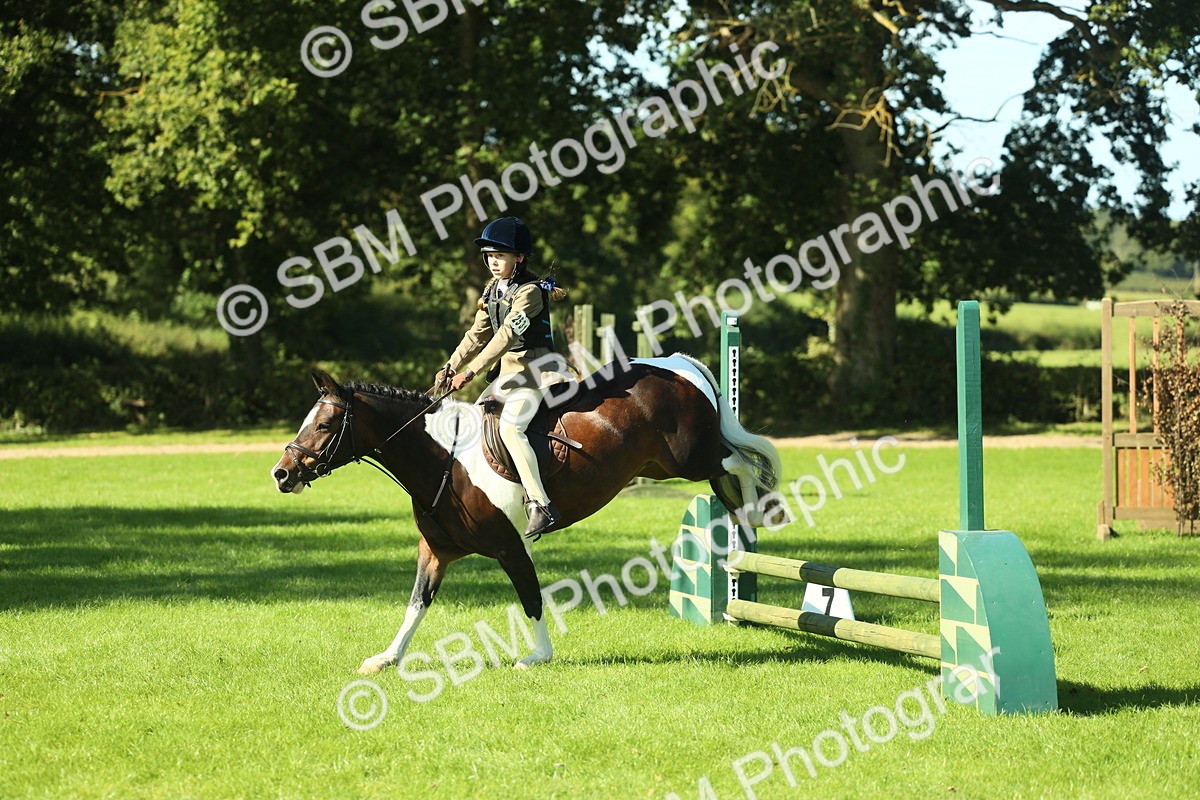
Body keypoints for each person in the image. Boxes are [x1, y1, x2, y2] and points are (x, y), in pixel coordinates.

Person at [436, 216, 573, 539]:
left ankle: (541, 504)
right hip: (509, 374)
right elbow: (476, 335)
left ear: (519, 258)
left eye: (500, 256)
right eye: (490, 256)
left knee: (511, 428)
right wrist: (451, 365)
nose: (493, 262)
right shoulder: (492, 291)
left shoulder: (530, 293)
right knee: (477, 422)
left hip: (536, 372)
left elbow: (507, 336)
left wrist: (471, 371)